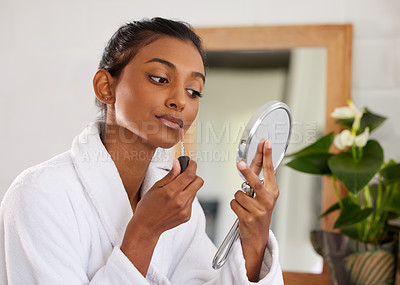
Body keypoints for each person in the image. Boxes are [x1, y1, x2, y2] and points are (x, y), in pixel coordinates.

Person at [0, 17, 283, 284]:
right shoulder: (39, 194)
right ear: (105, 87)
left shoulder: (182, 208)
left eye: (194, 91)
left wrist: (255, 237)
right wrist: (144, 231)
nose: (180, 101)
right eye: (160, 78)